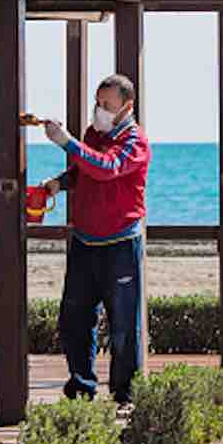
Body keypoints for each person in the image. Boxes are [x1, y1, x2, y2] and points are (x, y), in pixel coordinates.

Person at [40, 74, 151, 404]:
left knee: (123, 325)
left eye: (106, 105)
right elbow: (84, 170)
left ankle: (125, 395)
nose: (98, 110)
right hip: (85, 241)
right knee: (73, 317)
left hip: (121, 244)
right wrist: (61, 183)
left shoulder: (136, 142)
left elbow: (107, 167)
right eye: (97, 102)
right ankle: (81, 388)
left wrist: (66, 142)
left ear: (126, 107)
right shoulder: (94, 134)